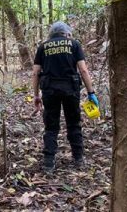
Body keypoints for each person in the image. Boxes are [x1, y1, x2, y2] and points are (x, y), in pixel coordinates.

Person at [32, 21, 98, 173]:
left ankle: (49, 163)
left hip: (49, 91)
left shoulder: (43, 47)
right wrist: (91, 92)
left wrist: (36, 95)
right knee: (74, 123)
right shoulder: (74, 44)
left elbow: (35, 72)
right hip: (70, 89)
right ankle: (79, 159)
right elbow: (83, 70)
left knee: (51, 126)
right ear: (67, 33)